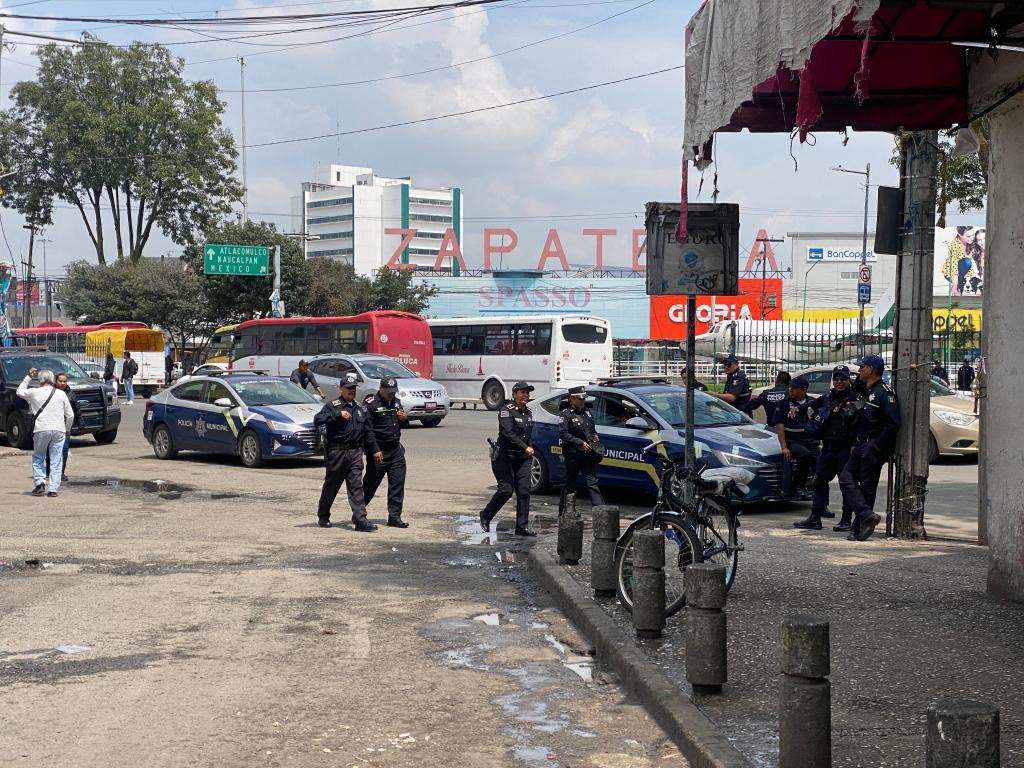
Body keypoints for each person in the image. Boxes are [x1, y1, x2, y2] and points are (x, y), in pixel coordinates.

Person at [838, 355, 901, 542]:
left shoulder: (885, 393)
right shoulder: (864, 390)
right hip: (858, 443)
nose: (859, 370)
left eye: (862, 367)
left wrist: (876, 445)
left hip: (872, 445)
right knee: (845, 478)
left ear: (872, 369)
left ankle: (859, 528)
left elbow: (893, 423)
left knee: (867, 488)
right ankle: (866, 515)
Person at [314, 372, 380, 532]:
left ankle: (360, 519)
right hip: (337, 453)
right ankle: (323, 515)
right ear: (342, 389)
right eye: (349, 388)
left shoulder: (359, 409)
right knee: (332, 485)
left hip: (355, 452)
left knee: (356, 486)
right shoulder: (333, 405)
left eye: (354, 388)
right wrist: (337, 415)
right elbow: (317, 419)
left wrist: (375, 450)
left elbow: (368, 432)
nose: (352, 391)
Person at [794, 365, 856, 531]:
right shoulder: (829, 397)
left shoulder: (855, 397)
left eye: (843, 378)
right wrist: (797, 410)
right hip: (828, 446)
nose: (839, 381)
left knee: (846, 484)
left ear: (848, 379)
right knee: (819, 481)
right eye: (836, 378)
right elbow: (812, 404)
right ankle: (815, 517)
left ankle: (846, 520)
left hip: (846, 447)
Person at [480, 381, 537, 537]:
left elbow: (528, 435)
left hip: (523, 458)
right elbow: (508, 433)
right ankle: (486, 515)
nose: (526, 395)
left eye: (528, 393)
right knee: (506, 490)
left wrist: (529, 449)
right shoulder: (506, 411)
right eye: (523, 392)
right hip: (504, 457)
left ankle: (522, 526)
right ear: (514, 394)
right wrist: (525, 447)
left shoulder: (528, 412)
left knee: (524, 491)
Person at [17, 368, 74, 497]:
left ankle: (40, 483)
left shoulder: (35, 392)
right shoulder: (61, 394)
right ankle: (53, 489)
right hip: (59, 429)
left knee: (38, 457)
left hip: (41, 429)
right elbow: (70, 415)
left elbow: (19, 391)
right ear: (53, 380)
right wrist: (67, 430)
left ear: (40, 380)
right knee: (56, 460)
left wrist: (28, 376)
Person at [362, 377, 409, 528]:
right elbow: (367, 430)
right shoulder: (371, 404)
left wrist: (403, 418)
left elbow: (401, 422)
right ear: (380, 389)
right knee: (370, 485)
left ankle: (394, 517)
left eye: (393, 392)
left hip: (395, 450)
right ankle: (359, 513)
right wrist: (375, 450)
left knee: (397, 484)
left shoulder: (395, 402)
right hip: (379, 452)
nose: (390, 395)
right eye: (388, 392)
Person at [771, 376, 819, 501]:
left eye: (793, 388)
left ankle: (817, 491)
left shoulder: (812, 403)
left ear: (803, 390)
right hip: (793, 441)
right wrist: (784, 447)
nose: (790, 390)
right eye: (790, 387)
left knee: (820, 460)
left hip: (810, 441)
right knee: (805, 455)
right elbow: (780, 426)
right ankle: (798, 486)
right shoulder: (784, 404)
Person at [558, 386, 605, 515]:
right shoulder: (566, 414)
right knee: (569, 484)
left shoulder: (587, 412)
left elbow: (591, 429)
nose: (582, 401)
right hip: (573, 454)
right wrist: (579, 443)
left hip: (588, 453)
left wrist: (595, 435)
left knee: (592, 483)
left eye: (584, 398)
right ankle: (564, 511)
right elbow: (563, 434)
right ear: (571, 399)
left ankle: (601, 512)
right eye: (580, 398)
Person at [48, 372, 80, 482]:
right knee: (51, 450)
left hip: (65, 427)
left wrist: (81, 423)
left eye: (64, 381)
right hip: (52, 425)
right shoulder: (50, 392)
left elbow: (77, 409)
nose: (62, 383)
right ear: (55, 381)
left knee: (64, 450)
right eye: (60, 381)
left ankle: (61, 472)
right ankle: (49, 471)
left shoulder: (70, 393)